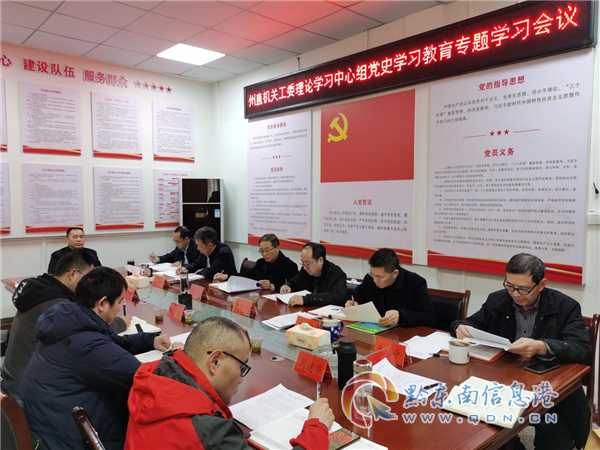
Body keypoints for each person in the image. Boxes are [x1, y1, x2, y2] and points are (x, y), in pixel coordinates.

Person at [19, 267, 179, 450]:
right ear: (102, 303)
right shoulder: (85, 346)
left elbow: (108, 344)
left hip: (48, 425)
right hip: (71, 440)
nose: (119, 309)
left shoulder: (68, 319)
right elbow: (146, 378)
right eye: (119, 302)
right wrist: (175, 355)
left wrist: (149, 340)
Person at [125, 317, 334, 450]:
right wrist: (317, 428)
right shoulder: (210, 432)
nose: (241, 379)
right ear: (215, 361)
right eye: (241, 368)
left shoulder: (154, 379)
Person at [451, 253, 592, 450]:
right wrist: (459, 327)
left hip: (550, 386)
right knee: (481, 426)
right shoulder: (497, 300)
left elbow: (583, 349)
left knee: (553, 435)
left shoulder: (565, 306)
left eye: (523, 289)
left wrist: (542, 346)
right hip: (504, 381)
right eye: (510, 286)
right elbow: (471, 323)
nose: (515, 294)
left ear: (541, 284)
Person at [2, 251, 131, 400]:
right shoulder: (58, 306)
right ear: (73, 274)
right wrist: (121, 323)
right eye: (89, 278)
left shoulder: (42, 288)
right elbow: (89, 326)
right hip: (26, 390)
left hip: (13, 376)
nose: (92, 284)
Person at [345, 248, 437, 328]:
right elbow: (355, 297)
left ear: (395, 273)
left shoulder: (415, 283)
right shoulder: (370, 279)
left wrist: (401, 316)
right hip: (373, 331)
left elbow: (430, 317)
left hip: (403, 336)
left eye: (379, 277)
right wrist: (352, 303)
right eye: (372, 274)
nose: (375, 280)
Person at [213, 234, 298, 291]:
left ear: (277, 248)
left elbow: (293, 288)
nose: (264, 254)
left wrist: (272, 286)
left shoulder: (290, 266)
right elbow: (246, 275)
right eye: (261, 251)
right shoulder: (261, 263)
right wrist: (227, 276)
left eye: (267, 250)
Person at [280, 243, 347, 307]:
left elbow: (337, 296)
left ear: (320, 260)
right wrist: (288, 286)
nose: (304, 267)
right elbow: (295, 281)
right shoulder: (305, 270)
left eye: (307, 264)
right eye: (303, 263)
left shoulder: (337, 274)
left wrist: (305, 299)